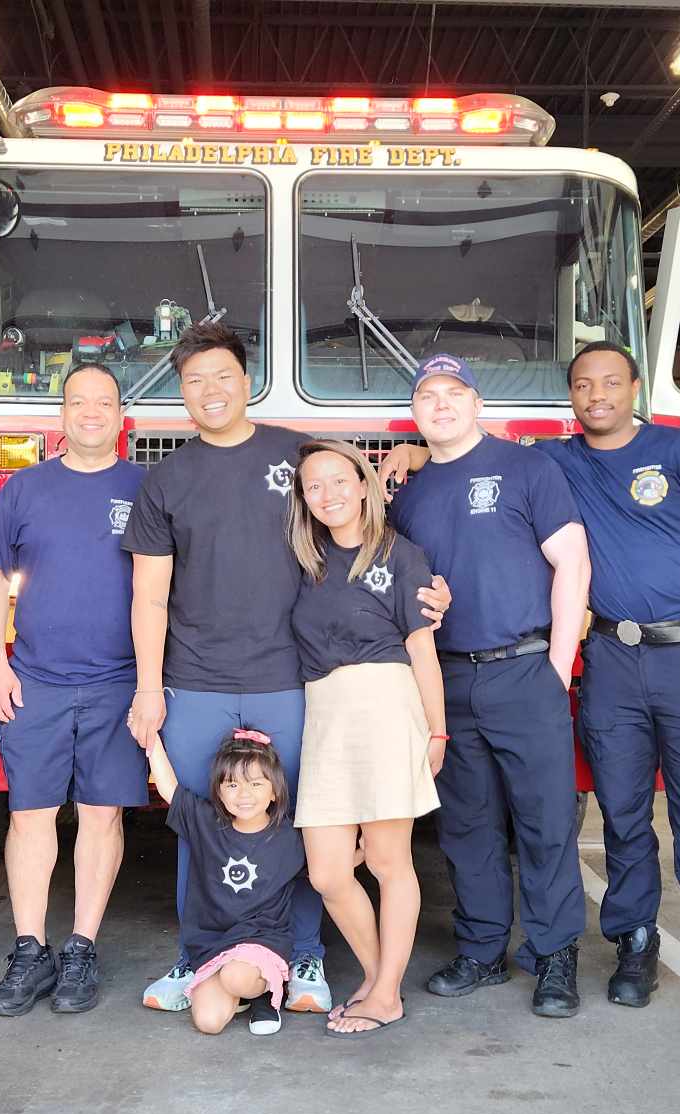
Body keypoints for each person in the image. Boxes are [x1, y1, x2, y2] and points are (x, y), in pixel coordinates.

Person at [380, 342, 680, 1033]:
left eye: (611, 382)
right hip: (604, 658)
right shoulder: (552, 458)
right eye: (583, 385)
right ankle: (633, 947)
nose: (597, 395)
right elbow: (470, 450)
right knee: (616, 817)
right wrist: (411, 456)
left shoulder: (679, 452)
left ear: (634, 387)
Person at [121, 321, 451, 1014]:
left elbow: (356, 484)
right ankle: (197, 958)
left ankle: (302, 957)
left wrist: (416, 453)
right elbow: (149, 591)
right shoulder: (167, 478)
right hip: (195, 681)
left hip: (290, 682)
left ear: (247, 380)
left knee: (298, 825)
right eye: (194, 381)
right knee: (201, 821)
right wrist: (150, 687)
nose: (210, 391)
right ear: (182, 393)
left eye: (222, 376)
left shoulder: (291, 457)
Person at [385, 353, 592, 1019]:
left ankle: (555, 957)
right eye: (427, 396)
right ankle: (480, 951)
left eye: (453, 393)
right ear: (415, 413)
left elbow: (573, 562)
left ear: (477, 404)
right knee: (467, 827)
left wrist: (557, 667)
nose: (440, 405)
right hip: (447, 681)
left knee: (545, 823)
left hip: (524, 669)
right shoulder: (410, 498)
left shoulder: (530, 468)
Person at [0, 365, 147, 1017]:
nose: (92, 412)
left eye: (104, 402)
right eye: (79, 402)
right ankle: (28, 948)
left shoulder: (145, 488)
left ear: (120, 416)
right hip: (36, 679)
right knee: (29, 815)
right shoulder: (24, 489)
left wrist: (154, 683)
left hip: (118, 681)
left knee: (103, 813)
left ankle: (79, 948)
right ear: (62, 414)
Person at [286, 440, 445, 1037]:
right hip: (324, 712)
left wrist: (437, 729)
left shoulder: (402, 555)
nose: (326, 495)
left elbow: (420, 648)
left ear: (363, 484)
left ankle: (384, 992)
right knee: (327, 871)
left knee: (386, 859)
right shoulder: (306, 558)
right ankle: (382, 980)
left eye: (337, 481)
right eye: (312, 486)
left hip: (385, 702)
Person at [145, 730, 305, 1037]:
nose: (244, 794)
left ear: (274, 792)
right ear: (218, 791)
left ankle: (264, 994)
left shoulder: (288, 836)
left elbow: (330, 866)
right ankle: (244, 993)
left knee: (236, 977)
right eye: (232, 784)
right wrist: (151, 738)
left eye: (256, 783)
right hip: (213, 945)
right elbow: (169, 788)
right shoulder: (207, 824)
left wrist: (367, 850)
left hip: (262, 940)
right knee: (208, 1022)